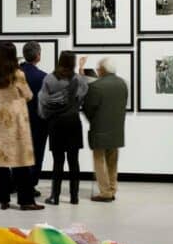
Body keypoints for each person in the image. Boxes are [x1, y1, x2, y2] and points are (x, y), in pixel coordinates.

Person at [0, 42, 44, 211]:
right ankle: (26, 201)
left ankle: (3, 200)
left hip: (0, 116)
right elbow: (28, 95)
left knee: (2, 160)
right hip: (16, 117)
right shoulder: (18, 74)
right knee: (21, 159)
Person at [38, 51, 88, 205]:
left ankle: (55, 196)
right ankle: (74, 197)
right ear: (73, 62)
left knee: (58, 161)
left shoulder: (49, 79)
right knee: (74, 161)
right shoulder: (78, 80)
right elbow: (83, 96)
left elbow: (43, 102)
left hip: (56, 123)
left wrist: (47, 115)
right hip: (73, 122)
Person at [82, 57, 128, 202]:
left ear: (103, 70)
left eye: (98, 68)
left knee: (99, 161)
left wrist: (93, 120)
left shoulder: (96, 86)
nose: (97, 70)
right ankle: (112, 189)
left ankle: (105, 193)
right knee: (113, 161)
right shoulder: (122, 83)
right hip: (117, 129)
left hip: (100, 129)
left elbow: (88, 108)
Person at [19, 41, 48, 197]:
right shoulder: (43, 77)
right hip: (37, 121)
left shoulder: (15, 74)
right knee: (36, 153)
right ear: (38, 56)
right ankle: (30, 185)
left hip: (18, 119)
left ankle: (17, 182)